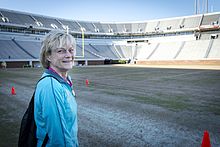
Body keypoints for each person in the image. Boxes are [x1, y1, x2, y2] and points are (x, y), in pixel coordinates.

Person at [35, 30, 78, 146]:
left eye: (71, 50)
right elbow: (58, 138)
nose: (68, 55)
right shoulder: (51, 85)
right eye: (61, 51)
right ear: (48, 56)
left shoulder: (65, 80)